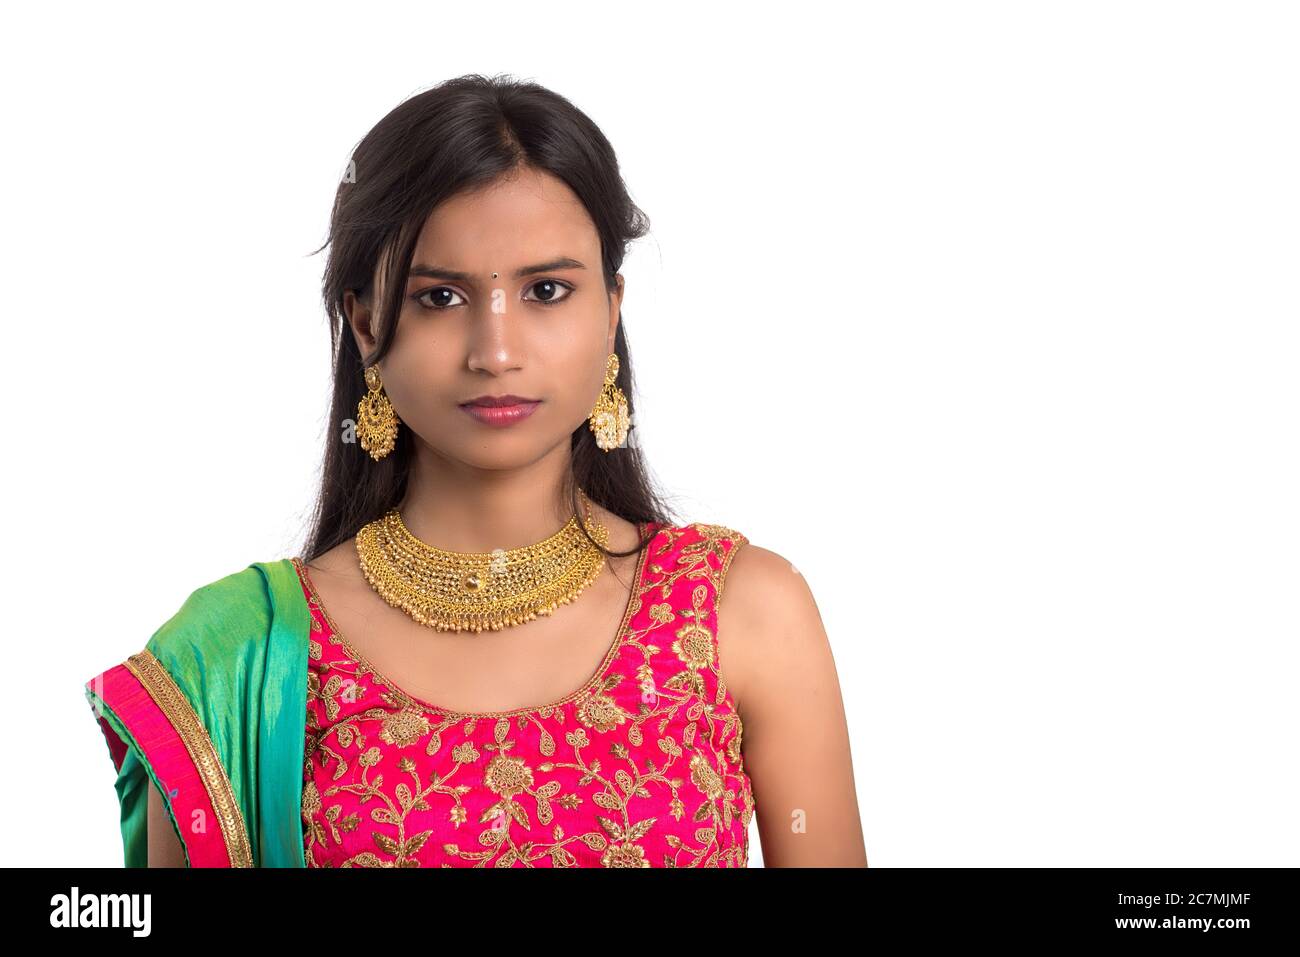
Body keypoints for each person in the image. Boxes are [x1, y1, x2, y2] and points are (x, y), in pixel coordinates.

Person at [83, 73, 867, 868]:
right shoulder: (242, 662)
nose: (496, 352)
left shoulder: (741, 614)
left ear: (611, 311)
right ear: (363, 324)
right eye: (441, 298)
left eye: (548, 290)